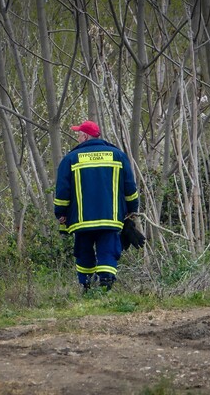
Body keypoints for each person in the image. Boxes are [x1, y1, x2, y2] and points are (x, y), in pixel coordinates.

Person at [54, 120, 139, 292]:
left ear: (85, 136)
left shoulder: (70, 159)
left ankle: (86, 287)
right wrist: (132, 210)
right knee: (107, 251)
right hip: (111, 217)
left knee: (83, 251)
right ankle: (106, 286)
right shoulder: (118, 156)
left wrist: (60, 213)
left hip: (82, 220)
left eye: (78, 134)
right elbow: (130, 187)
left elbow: (63, 191)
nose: (77, 137)